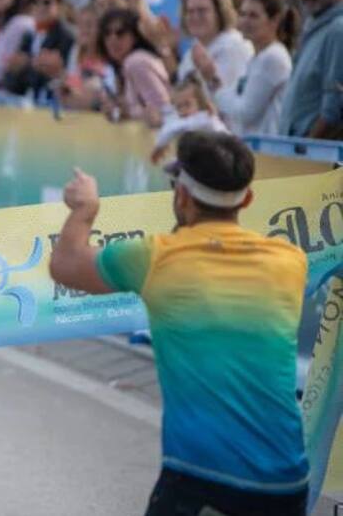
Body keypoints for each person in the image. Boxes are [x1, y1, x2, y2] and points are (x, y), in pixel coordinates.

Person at [49, 131, 309, 516]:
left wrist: (84, 209)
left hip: (203, 477)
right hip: (287, 482)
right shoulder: (291, 260)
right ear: (247, 198)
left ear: (181, 195)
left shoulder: (156, 257)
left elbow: (66, 266)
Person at [199, 0, 296, 136]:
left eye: (253, 16)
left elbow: (245, 113)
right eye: (242, 14)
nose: (245, 21)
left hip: (267, 150)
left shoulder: (273, 57)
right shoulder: (258, 57)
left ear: (274, 21)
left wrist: (215, 86)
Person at [279, 0, 343, 139]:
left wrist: (306, 148)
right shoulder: (315, 27)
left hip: (314, 157)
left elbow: (333, 106)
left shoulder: (338, 29)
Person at [98, 8, 170, 127]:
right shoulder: (119, 67)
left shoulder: (137, 62)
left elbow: (163, 110)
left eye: (120, 33)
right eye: (107, 33)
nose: (113, 39)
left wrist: (124, 112)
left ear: (135, 36)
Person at [5, 0, 74, 100]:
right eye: (35, 1)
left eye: (46, 2)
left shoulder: (66, 37)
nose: (40, 6)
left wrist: (29, 64)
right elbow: (14, 81)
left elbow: (59, 77)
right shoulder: (29, 35)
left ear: (59, 5)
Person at [177, 0, 253, 92]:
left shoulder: (234, 48)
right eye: (190, 11)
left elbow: (228, 101)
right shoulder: (191, 54)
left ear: (219, 13)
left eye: (202, 11)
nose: (195, 16)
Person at [150, 74, 229, 164]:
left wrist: (159, 146)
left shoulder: (205, 118)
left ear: (199, 102)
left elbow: (173, 128)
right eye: (179, 107)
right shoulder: (187, 120)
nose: (183, 111)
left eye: (187, 104)